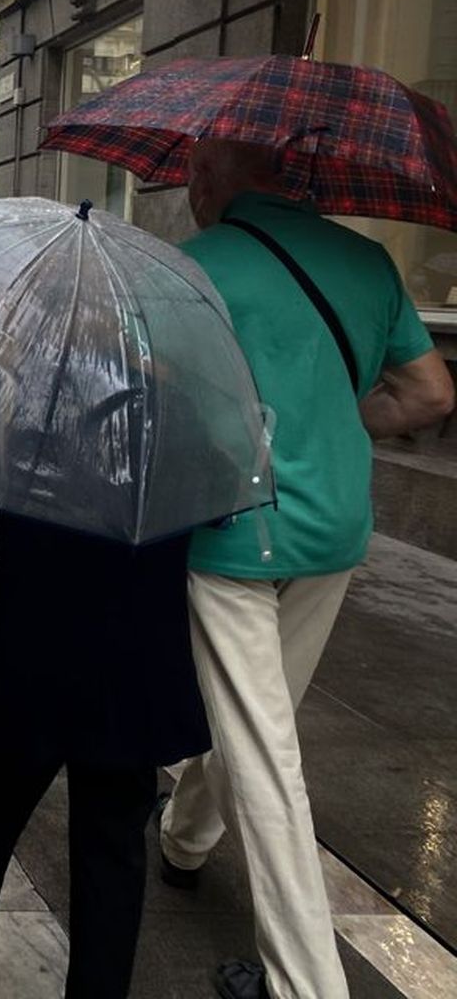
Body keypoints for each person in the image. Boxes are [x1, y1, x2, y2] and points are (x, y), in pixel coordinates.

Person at [157, 139, 455, 999]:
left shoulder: (196, 267)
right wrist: (339, 411)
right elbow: (432, 395)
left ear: (212, 183)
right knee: (259, 709)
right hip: (335, 533)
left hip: (231, 533)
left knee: (266, 751)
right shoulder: (365, 260)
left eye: (190, 181)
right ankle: (184, 842)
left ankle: (306, 983)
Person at [0, 508, 211, 999]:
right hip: (137, 650)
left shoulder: (24, 425)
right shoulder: (187, 431)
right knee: (114, 840)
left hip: (33, 635)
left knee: (0, 779)